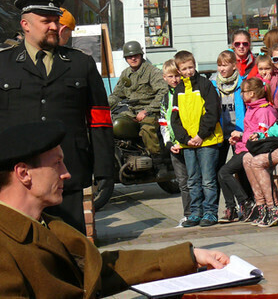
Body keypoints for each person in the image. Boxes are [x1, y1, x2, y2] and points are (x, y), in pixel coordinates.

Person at [0, 121, 229, 299]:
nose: (66, 173)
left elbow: (100, 270)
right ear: (23, 173)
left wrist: (189, 256)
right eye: (56, 163)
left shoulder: (45, 225)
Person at [0, 0, 113, 234]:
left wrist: (104, 169)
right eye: (46, 21)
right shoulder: (3, 65)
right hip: (17, 178)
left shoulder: (81, 64)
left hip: (67, 173)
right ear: (25, 25)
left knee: (72, 250)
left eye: (56, 20)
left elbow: (100, 119)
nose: (54, 26)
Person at [170, 50, 223, 227]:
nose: (188, 71)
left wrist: (201, 135)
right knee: (192, 180)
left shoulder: (205, 85)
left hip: (207, 141)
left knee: (208, 179)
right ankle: (196, 212)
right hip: (188, 144)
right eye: (184, 69)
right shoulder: (178, 90)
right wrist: (185, 139)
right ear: (178, 70)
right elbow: (175, 119)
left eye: (191, 67)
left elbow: (212, 111)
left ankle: (210, 212)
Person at [108, 40, 169, 178]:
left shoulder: (151, 72)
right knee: (115, 124)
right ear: (126, 58)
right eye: (130, 56)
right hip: (131, 111)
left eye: (136, 55)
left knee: (147, 128)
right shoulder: (126, 74)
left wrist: (147, 109)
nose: (133, 58)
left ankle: (159, 163)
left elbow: (163, 92)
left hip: (152, 111)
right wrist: (103, 105)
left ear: (141, 55)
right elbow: (117, 94)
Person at [231, 78, 277, 225]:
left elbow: (259, 135)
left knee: (249, 162)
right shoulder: (251, 109)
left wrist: (241, 136)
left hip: (265, 147)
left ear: (251, 93)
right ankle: (260, 205)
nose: (241, 95)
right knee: (246, 159)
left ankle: (272, 207)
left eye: (242, 92)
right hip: (251, 147)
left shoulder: (264, 110)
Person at [211, 50, 247, 222]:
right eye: (219, 65)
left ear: (234, 65)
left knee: (240, 169)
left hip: (239, 132)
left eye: (225, 65)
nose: (222, 68)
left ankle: (248, 204)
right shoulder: (213, 84)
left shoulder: (243, 83)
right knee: (220, 171)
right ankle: (230, 207)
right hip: (221, 132)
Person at [160, 59, 191, 224]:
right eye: (170, 76)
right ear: (164, 78)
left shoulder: (186, 92)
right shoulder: (165, 98)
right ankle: (188, 213)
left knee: (195, 180)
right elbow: (163, 122)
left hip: (188, 143)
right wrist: (169, 143)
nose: (174, 80)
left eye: (177, 76)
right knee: (183, 182)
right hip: (174, 145)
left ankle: (199, 211)